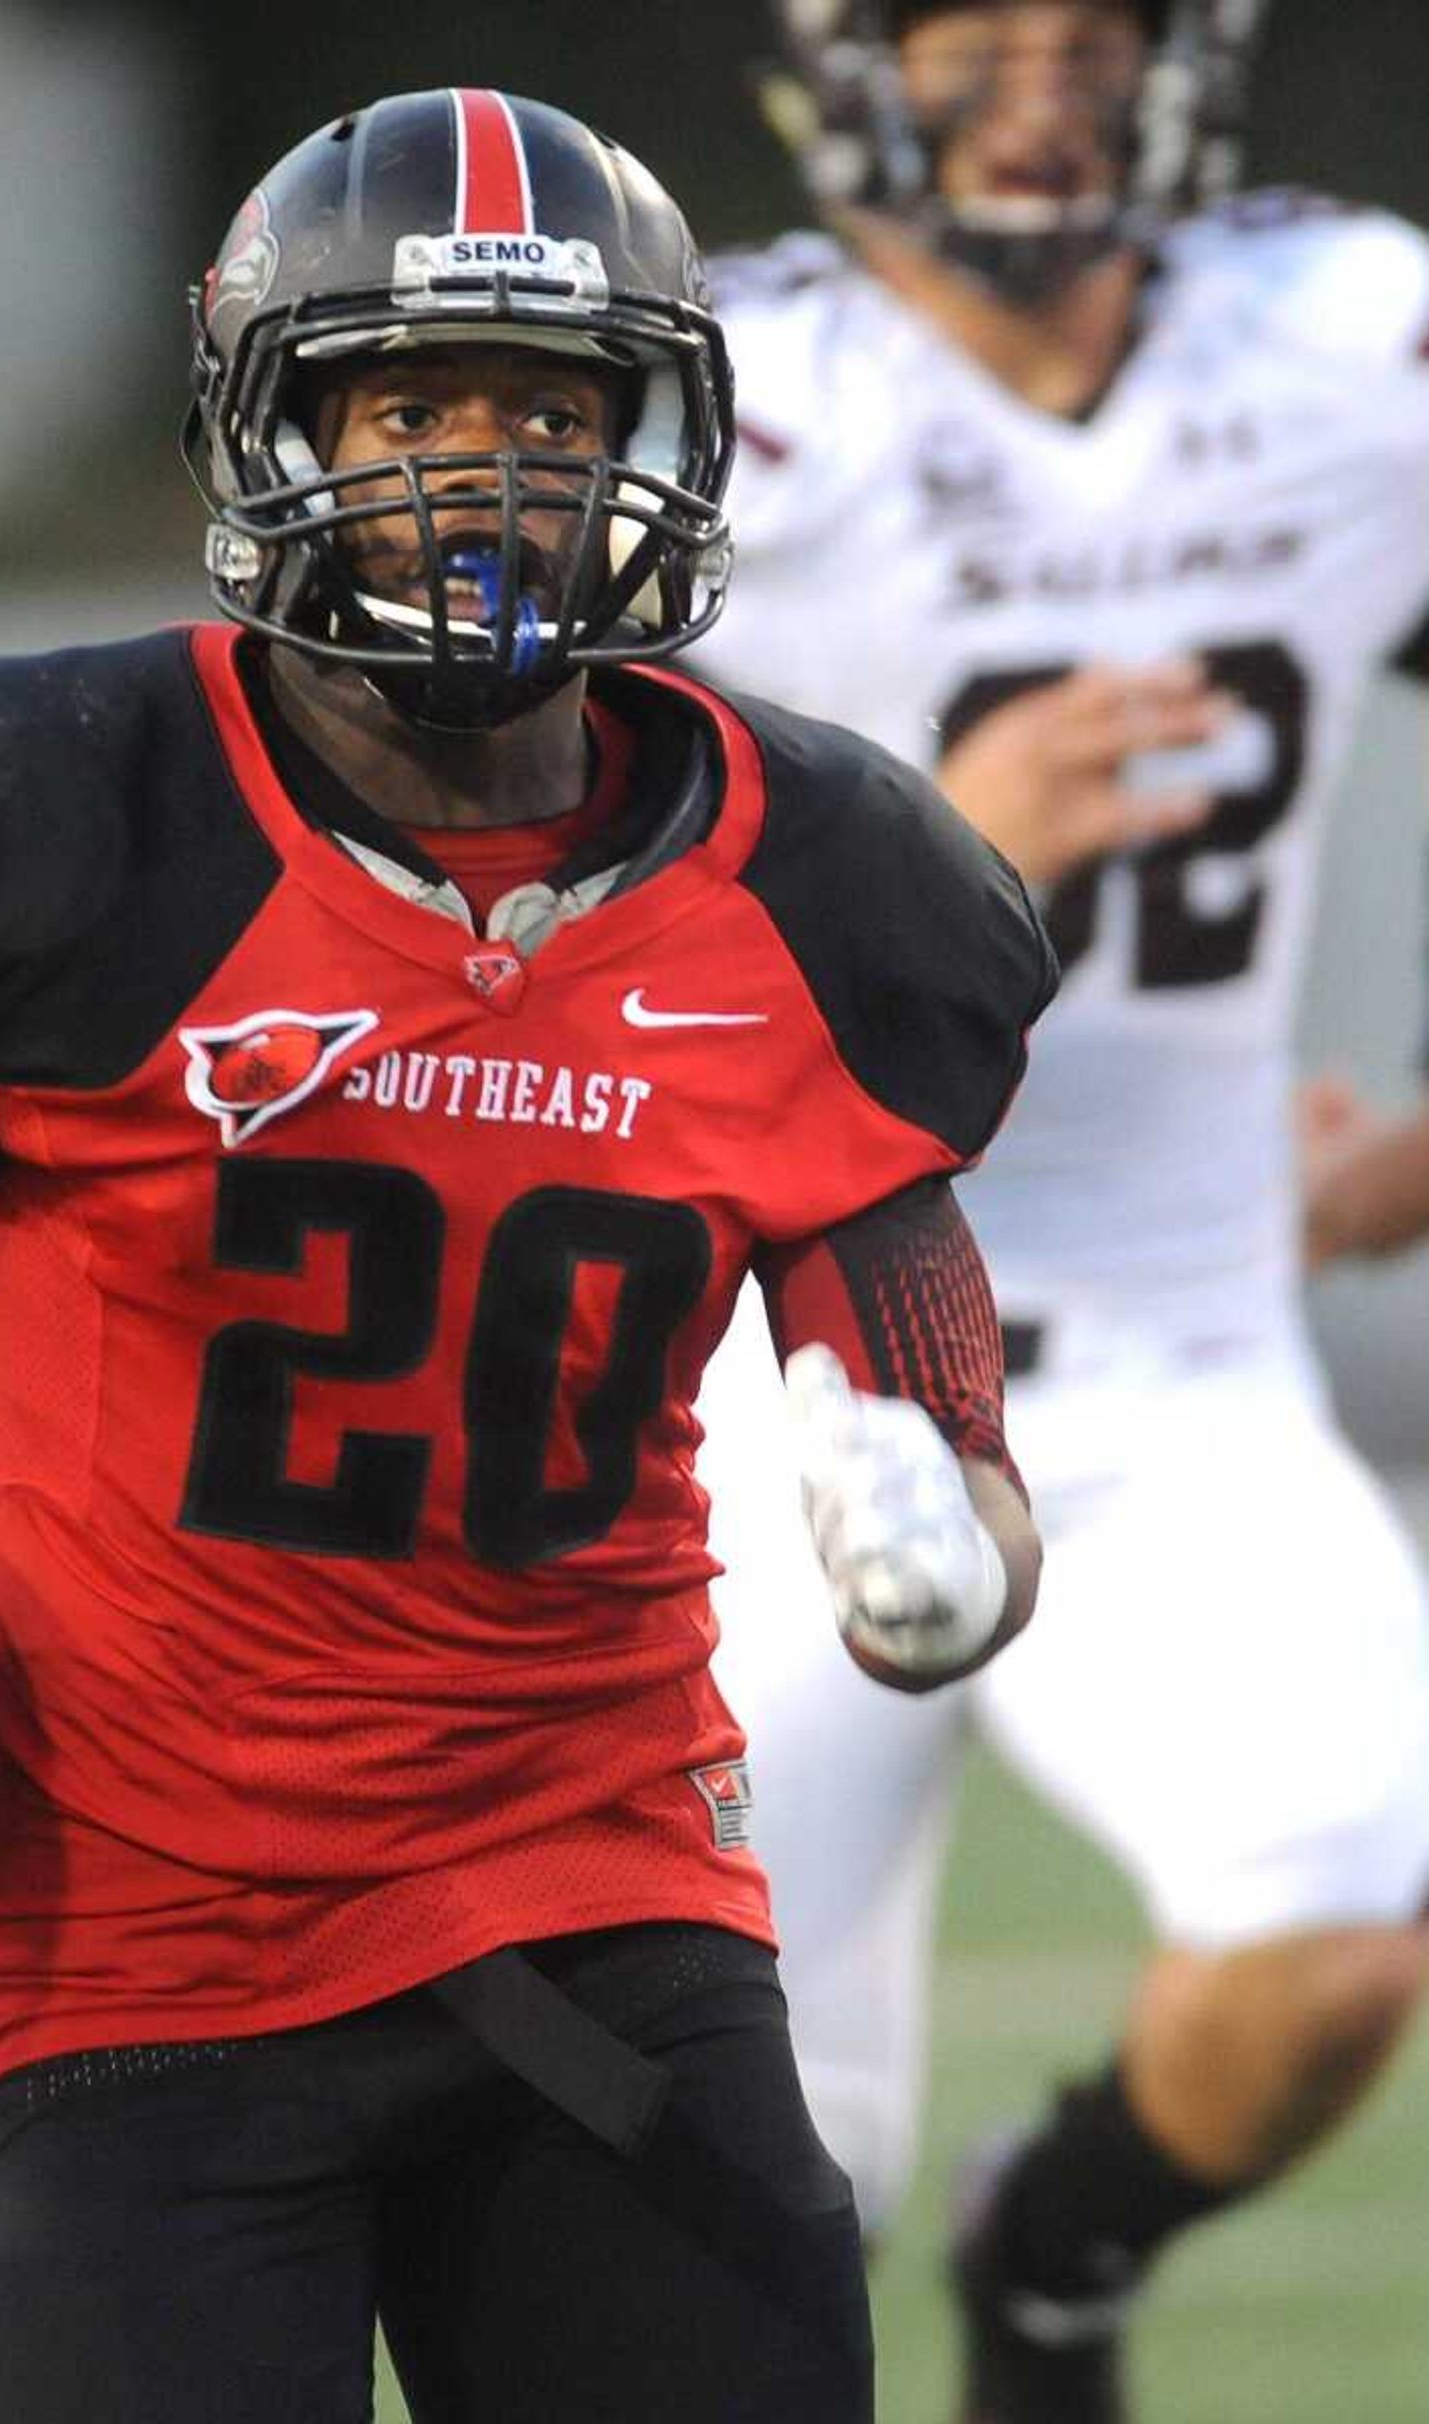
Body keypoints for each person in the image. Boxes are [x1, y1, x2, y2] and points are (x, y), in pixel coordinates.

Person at [0, 87, 1053, 2424]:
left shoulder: (831, 890)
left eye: (550, 410)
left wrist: (953, 1559)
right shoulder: (23, 821)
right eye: (402, 404)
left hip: (593, 1906)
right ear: (261, 421)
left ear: (666, 438)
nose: (479, 474)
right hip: (132, 1952)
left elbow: (946, 1454)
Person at [693, 3, 1429, 2416]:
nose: (1046, 79)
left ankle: (1065, 2255)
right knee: (760, 2166)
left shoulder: (1337, 349)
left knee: (1332, 1932)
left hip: (1174, 1348)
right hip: (745, 1359)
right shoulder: (714, 394)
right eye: (975, 28)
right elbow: (504, 917)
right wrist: (930, 836)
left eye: (1091, 28)